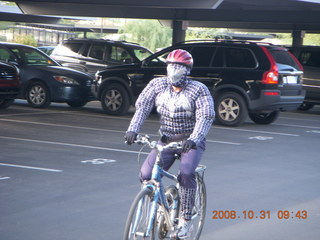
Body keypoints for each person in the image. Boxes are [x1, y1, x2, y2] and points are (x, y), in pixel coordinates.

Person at [124, 49, 215, 239]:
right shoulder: (157, 85)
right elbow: (143, 107)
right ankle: (161, 204)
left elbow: (205, 116)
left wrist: (194, 138)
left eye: (179, 66)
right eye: (171, 65)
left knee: (186, 173)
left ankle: (185, 221)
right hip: (166, 140)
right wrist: (133, 129)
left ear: (187, 69)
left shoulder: (198, 89)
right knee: (146, 175)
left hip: (190, 141)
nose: (174, 70)